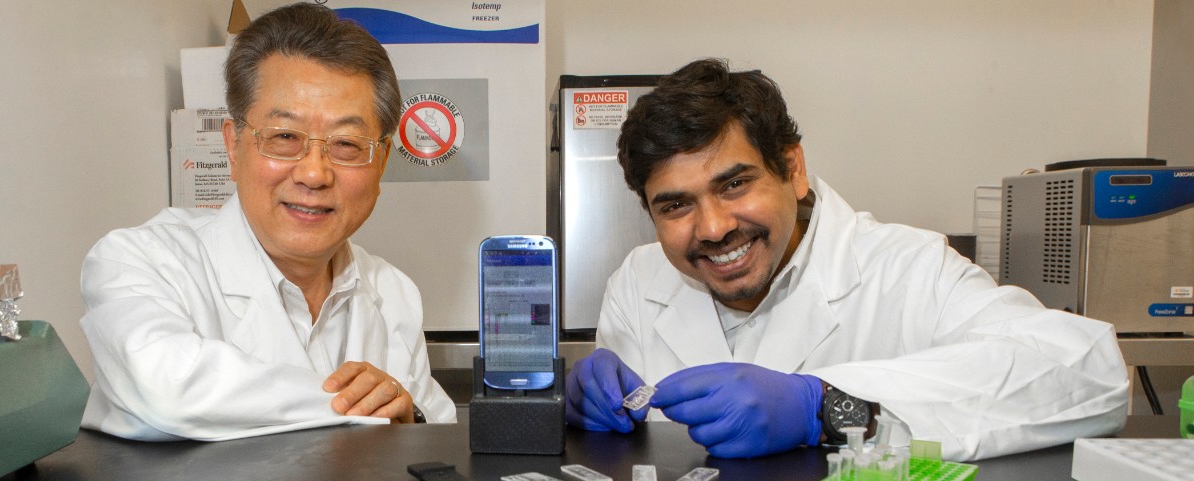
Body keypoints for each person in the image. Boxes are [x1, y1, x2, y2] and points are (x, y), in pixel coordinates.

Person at [565, 58, 1128, 461]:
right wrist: (592, 406)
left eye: (735, 184)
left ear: (793, 169)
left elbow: (1089, 373)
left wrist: (824, 407)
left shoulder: (905, 268)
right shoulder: (640, 281)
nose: (712, 228)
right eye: (676, 205)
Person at [79, 3, 455, 441]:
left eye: (347, 144)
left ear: (382, 161)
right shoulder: (139, 261)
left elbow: (437, 435)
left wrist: (412, 418)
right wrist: (368, 408)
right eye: (284, 138)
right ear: (234, 148)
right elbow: (169, 388)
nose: (314, 174)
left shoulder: (394, 292)